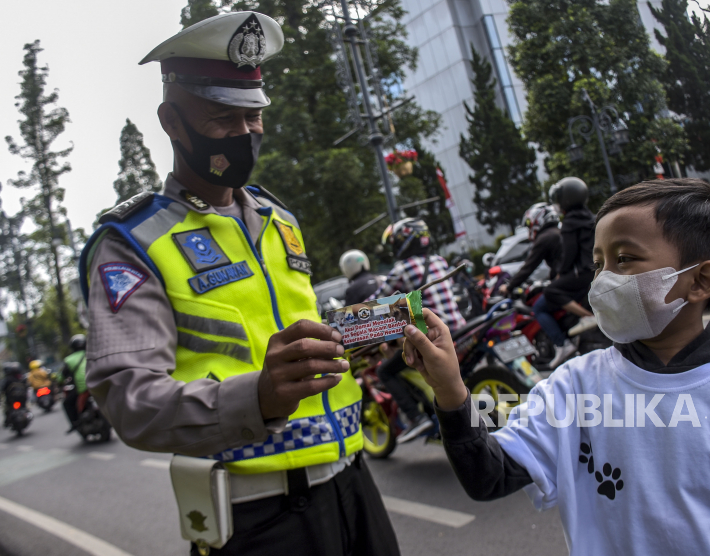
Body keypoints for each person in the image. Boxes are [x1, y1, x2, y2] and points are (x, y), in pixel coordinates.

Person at [80, 12, 398, 555]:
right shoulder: (133, 242)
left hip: (354, 486)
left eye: (254, 116)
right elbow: (129, 399)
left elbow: (292, 332)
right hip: (260, 519)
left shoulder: (281, 220)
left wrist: (362, 340)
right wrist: (259, 396)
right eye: (223, 118)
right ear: (171, 122)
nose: (245, 133)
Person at [402, 179, 710, 556]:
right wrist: (451, 390)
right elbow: (487, 476)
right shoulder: (573, 387)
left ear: (700, 281)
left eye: (624, 259)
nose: (603, 280)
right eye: (598, 263)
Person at [369, 217, 466, 443]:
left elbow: (378, 302)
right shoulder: (440, 260)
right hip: (459, 329)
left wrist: (352, 315)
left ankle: (416, 418)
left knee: (385, 371)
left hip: (433, 337)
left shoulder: (402, 268)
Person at [540, 177, 597, 369]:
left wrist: (559, 274)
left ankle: (586, 316)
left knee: (551, 291)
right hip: (595, 270)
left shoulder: (570, 223)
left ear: (566, 199)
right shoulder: (589, 216)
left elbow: (569, 254)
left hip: (584, 272)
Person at [498, 202, 562, 296]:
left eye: (528, 223)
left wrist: (509, 286)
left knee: (538, 307)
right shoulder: (557, 232)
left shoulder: (544, 238)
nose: (529, 228)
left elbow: (529, 266)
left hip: (567, 282)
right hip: (574, 279)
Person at [62, 334, 88, 430]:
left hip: (83, 388)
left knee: (67, 403)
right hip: (99, 382)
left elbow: (61, 376)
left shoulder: (69, 360)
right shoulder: (94, 353)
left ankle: (75, 422)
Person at [2, 363, 28, 428]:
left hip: (13, 400)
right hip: (16, 400)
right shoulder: (18, 377)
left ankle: (7, 421)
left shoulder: (8, 379)